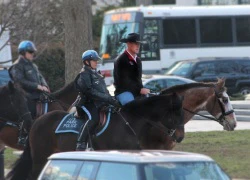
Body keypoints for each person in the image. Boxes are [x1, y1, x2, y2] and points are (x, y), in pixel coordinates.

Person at [75, 50, 120, 151]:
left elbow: (104, 90)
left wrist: (111, 99)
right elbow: (90, 92)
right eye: (94, 60)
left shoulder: (97, 74)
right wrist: (107, 98)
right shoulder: (84, 74)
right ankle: (81, 142)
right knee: (94, 119)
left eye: (96, 60)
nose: (96, 62)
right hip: (87, 103)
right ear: (87, 62)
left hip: (99, 102)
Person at [9, 40, 50, 145]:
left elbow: (40, 77)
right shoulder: (17, 66)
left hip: (37, 94)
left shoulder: (33, 65)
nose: (32, 54)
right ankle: (23, 136)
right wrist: (37, 86)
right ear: (23, 52)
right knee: (29, 110)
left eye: (33, 52)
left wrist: (44, 85)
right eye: (30, 52)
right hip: (25, 95)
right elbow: (20, 80)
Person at [113, 33, 150, 105]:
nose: (138, 46)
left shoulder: (138, 60)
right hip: (124, 92)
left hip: (136, 92)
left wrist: (142, 89)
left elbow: (138, 80)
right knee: (132, 107)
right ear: (129, 44)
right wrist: (140, 90)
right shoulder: (121, 60)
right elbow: (124, 81)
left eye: (139, 44)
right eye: (136, 44)